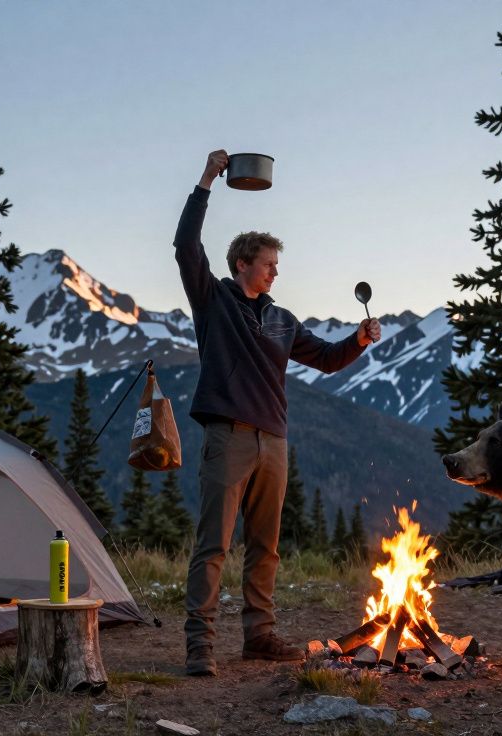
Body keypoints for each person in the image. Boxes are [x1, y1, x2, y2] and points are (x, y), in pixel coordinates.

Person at [175, 149, 381, 676]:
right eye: (268, 263)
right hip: (229, 436)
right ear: (242, 264)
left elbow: (328, 359)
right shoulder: (214, 301)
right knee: (214, 545)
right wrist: (206, 180)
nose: (274, 271)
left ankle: (259, 637)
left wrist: (359, 339)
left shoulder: (282, 319)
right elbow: (185, 246)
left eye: (276, 265)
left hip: (274, 441)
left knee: (265, 548)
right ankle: (200, 645)